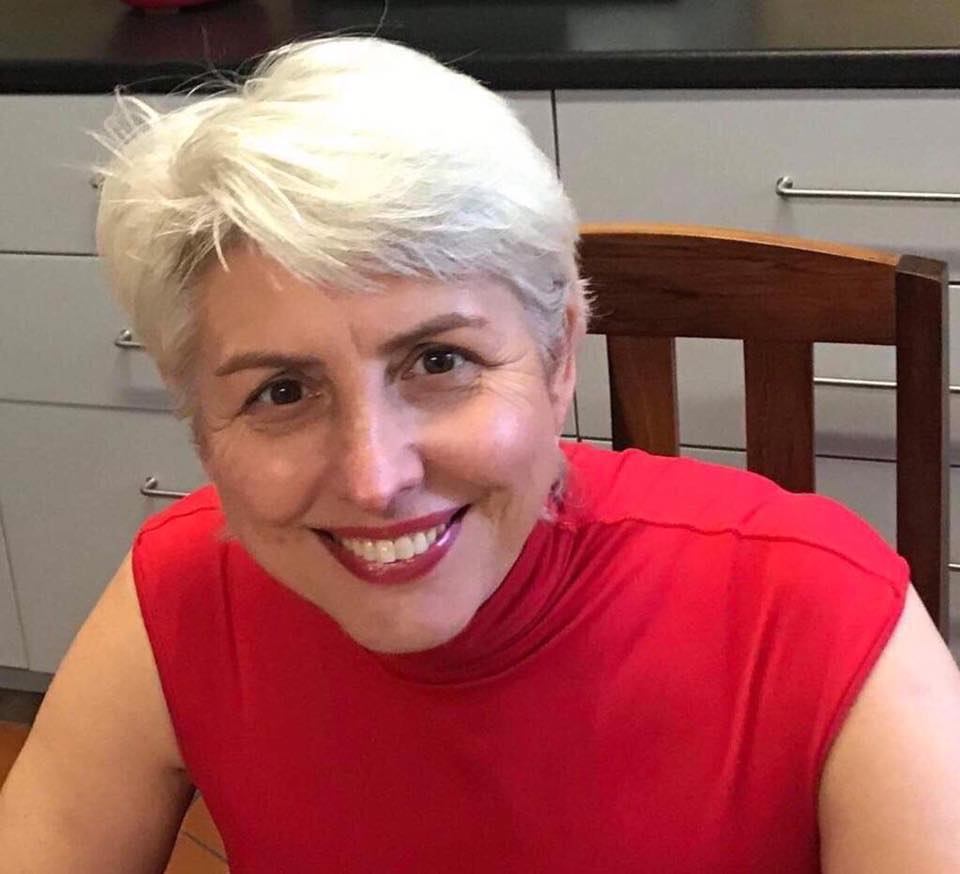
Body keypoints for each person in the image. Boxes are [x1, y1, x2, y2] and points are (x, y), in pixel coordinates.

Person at [1, 36, 959, 874]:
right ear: (201, 424)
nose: (375, 478)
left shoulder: (815, 612)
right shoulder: (182, 594)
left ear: (558, 354)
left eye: (439, 361)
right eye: (282, 392)